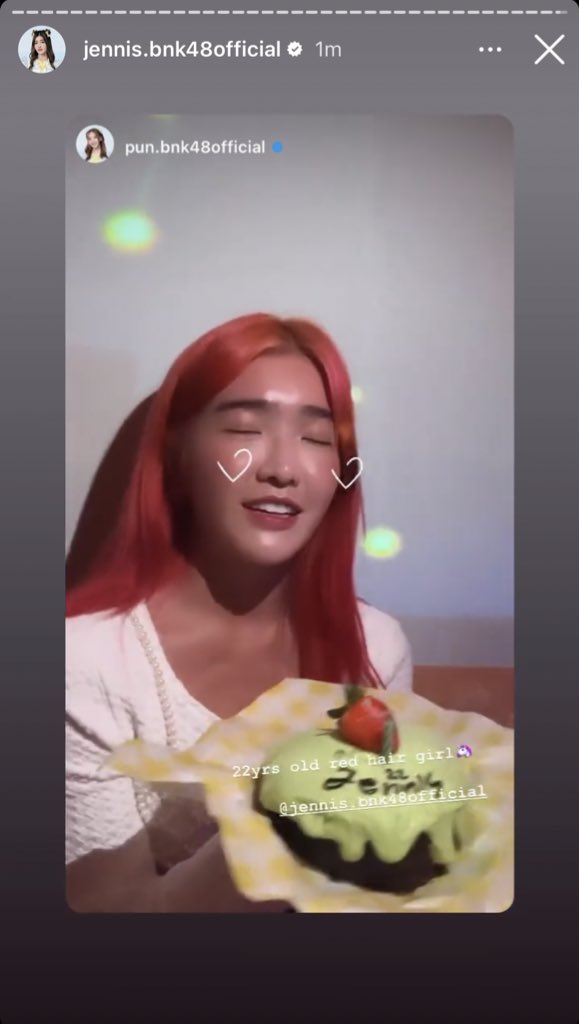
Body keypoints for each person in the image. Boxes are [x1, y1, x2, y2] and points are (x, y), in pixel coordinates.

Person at [66, 312, 413, 912]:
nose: (282, 468)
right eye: (245, 429)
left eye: (316, 439)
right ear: (177, 454)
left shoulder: (377, 647)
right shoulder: (86, 661)